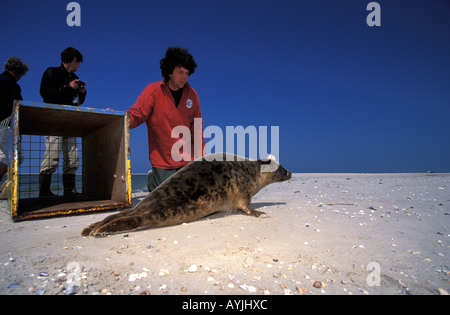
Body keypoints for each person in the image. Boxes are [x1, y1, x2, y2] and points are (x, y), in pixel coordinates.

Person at [127, 46, 205, 192]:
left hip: (186, 159)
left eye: (187, 73)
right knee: (166, 197)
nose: (184, 77)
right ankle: (153, 181)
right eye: (180, 72)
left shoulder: (192, 95)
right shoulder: (153, 90)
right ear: (170, 72)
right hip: (162, 159)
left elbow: (197, 129)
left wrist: (201, 160)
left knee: (189, 197)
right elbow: (137, 114)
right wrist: (120, 119)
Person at [39, 47, 87, 197]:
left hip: (70, 121)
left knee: (72, 158)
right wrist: (68, 87)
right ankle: (44, 192)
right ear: (74, 60)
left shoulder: (75, 77)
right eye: (78, 62)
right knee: (52, 156)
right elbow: (45, 94)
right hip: (54, 119)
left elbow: (76, 102)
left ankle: (69, 190)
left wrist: (82, 93)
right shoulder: (51, 72)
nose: (79, 65)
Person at [0, 57, 28, 182]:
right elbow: (16, 106)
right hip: (6, 126)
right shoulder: (11, 84)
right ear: (18, 73)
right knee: (16, 157)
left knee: (3, 157)